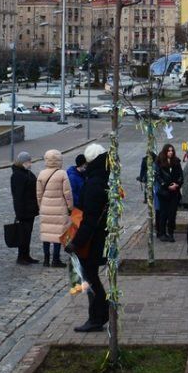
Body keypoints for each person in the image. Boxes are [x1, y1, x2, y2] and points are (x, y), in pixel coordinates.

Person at [66, 142, 110, 332]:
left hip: (92, 240)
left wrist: (76, 242)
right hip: (100, 236)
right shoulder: (104, 177)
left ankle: (97, 317)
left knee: (90, 278)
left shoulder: (93, 183)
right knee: (91, 277)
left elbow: (89, 219)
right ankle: (100, 314)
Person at [36, 149, 72, 268]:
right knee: (58, 234)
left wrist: (41, 205)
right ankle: (56, 259)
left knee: (46, 234)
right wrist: (70, 207)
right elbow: (67, 193)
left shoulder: (42, 174)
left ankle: (46, 260)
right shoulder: (62, 174)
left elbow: (39, 193)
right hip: (59, 207)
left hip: (45, 207)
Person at [9, 151, 39, 265]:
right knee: (23, 234)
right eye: (28, 161)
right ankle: (21, 257)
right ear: (22, 162)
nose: (30, 163)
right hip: (24, 210)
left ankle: (26, 255)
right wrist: (19, 212)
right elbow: (18, 196)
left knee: (28, 234)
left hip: (30, 209)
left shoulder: (27, 173)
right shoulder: (18, 175)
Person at [154, 144, 183, 242]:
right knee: (163, 213)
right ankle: (162, 233)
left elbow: (181, 176)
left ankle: (171, 233)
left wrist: (177, 184)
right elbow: (158, 176)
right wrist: (166, 186)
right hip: (164, 192)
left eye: (172, 150)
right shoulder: (159, 162)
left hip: (174, 192)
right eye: (169, 151)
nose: (170, 152)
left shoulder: (176, 162)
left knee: (172, 214)